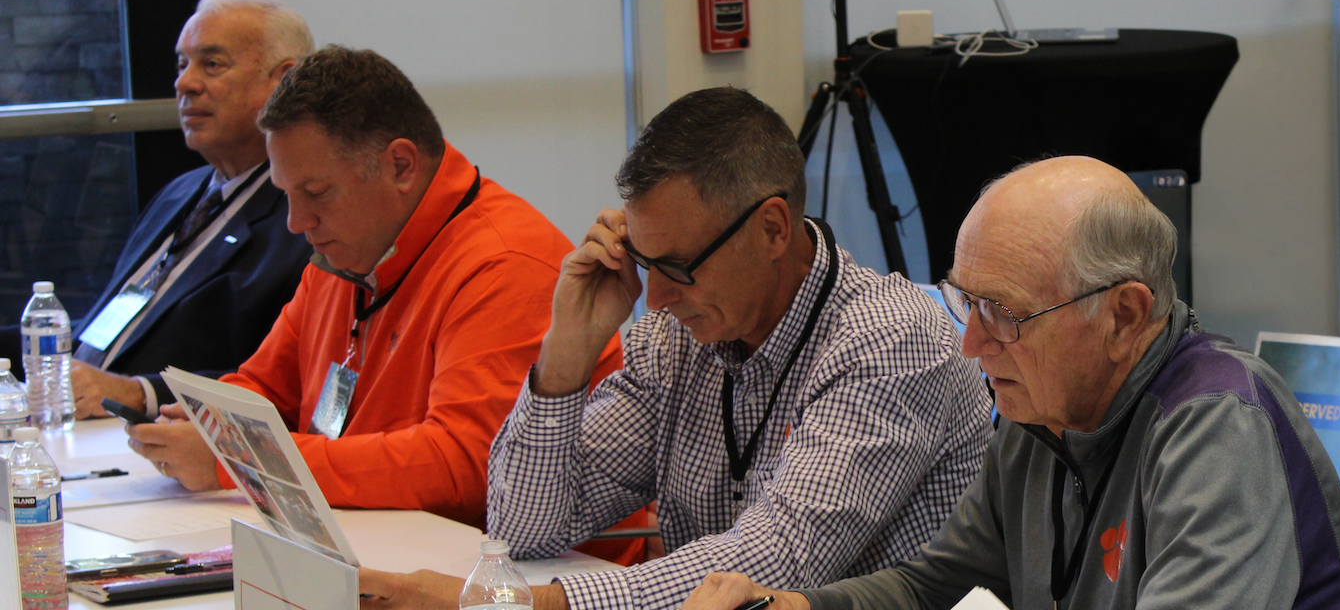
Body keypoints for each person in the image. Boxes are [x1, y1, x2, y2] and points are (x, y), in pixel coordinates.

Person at [358, 86, 993, 610]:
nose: (653, 297)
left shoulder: (894, 341)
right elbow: (525, 528)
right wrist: (566, 355)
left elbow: (772, 565)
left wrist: (509, 605)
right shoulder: (676, 338)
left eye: (679, 266)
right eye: (642, 260)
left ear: (772, 228)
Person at [676, 156, 1340, 610]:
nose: (971, 343)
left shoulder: (1218, 424)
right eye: (965, 302)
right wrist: (793, 606)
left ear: (1124, 316)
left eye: (1004, 314)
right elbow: (935, 587)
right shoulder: (1037, 414)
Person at [125, 45, 620, 526]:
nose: (297, 222)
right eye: (287, 195)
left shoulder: (505, 263)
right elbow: (261, 389)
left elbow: (463, 468)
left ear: (400, 165)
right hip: (387, 544)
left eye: (316, 192)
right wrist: (206, 425)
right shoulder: (345, 249)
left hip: (511, 579)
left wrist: (243, 459)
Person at [69, 0, 314, 418]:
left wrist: (139, 393)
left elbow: (289, 382)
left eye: (212, 64)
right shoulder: (181, 192)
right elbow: (104, 330)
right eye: (182, 64)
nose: (184, 83)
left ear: (284, 80)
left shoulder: (306, 219)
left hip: (169, 443)